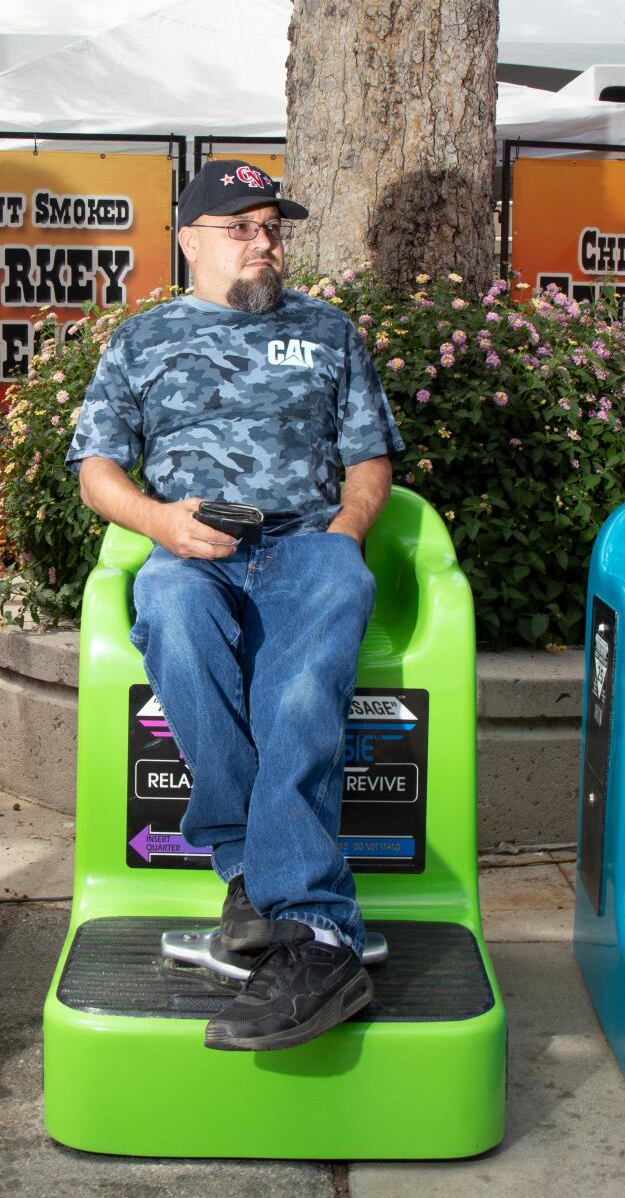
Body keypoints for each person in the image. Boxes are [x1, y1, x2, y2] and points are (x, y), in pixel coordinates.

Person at [67, 160, 404, 1051]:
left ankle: (299, 918)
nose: (265, 244)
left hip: (307, 546)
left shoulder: (327, 331)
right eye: (242, 228)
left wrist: (346, 531)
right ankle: (266, 877)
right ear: (190, 241)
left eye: (273, 228)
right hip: (194, 549)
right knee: (170, 614)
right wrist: (158, 523)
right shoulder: (141, 340)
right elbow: (97, 466)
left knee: (302, 684)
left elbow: (371, 457)